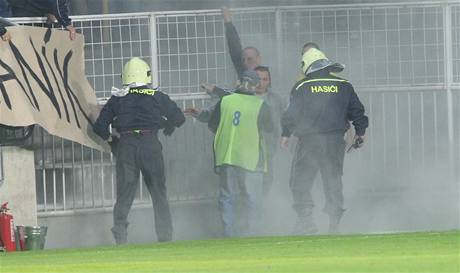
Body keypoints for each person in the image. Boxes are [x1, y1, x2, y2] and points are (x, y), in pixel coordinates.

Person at [93, 57, 185, 244]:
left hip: (126, 146)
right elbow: (179, 118)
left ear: (125, 76)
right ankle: (165, 236)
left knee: (125, 193)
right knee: (158, 192)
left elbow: (100, 127)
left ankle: (120, 236)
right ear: (147, 74)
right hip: (150, 144)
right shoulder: (157, 96)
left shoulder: (117, 99)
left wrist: (112, 141)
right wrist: (167, 125)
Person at [281, 48, 368, 235]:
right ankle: (334, 224)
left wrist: (286, 134)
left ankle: (306, 221)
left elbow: (291, 114)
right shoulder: (344, 85)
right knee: (333, 180)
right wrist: (360, 132)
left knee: (300, 180)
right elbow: (357, 111)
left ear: (306, 65)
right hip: (335, 141)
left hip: (309, 141)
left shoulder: (301, 86)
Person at [208, 70, 273, 237]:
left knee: (227, 197)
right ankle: (253, 233)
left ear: (238, 82)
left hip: (227, 156)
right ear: (255, 85)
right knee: (253, 199)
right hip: (251, 158)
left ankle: (229, 234)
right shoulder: (260, 105)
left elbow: (212, 125)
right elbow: (270, 128)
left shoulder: (225, 101)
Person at [222, 7, 262, 78]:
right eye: (243, 60)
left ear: (259, 59)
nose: (245, 63)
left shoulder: (267, 75)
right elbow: (234, 46)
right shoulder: (243, 71)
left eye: (250, 59)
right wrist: (228, 23)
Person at [8, 0, 76, 40]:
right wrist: (66, 22)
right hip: (24, 8)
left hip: (31, 8)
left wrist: (51, 11)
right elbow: (59, 2)